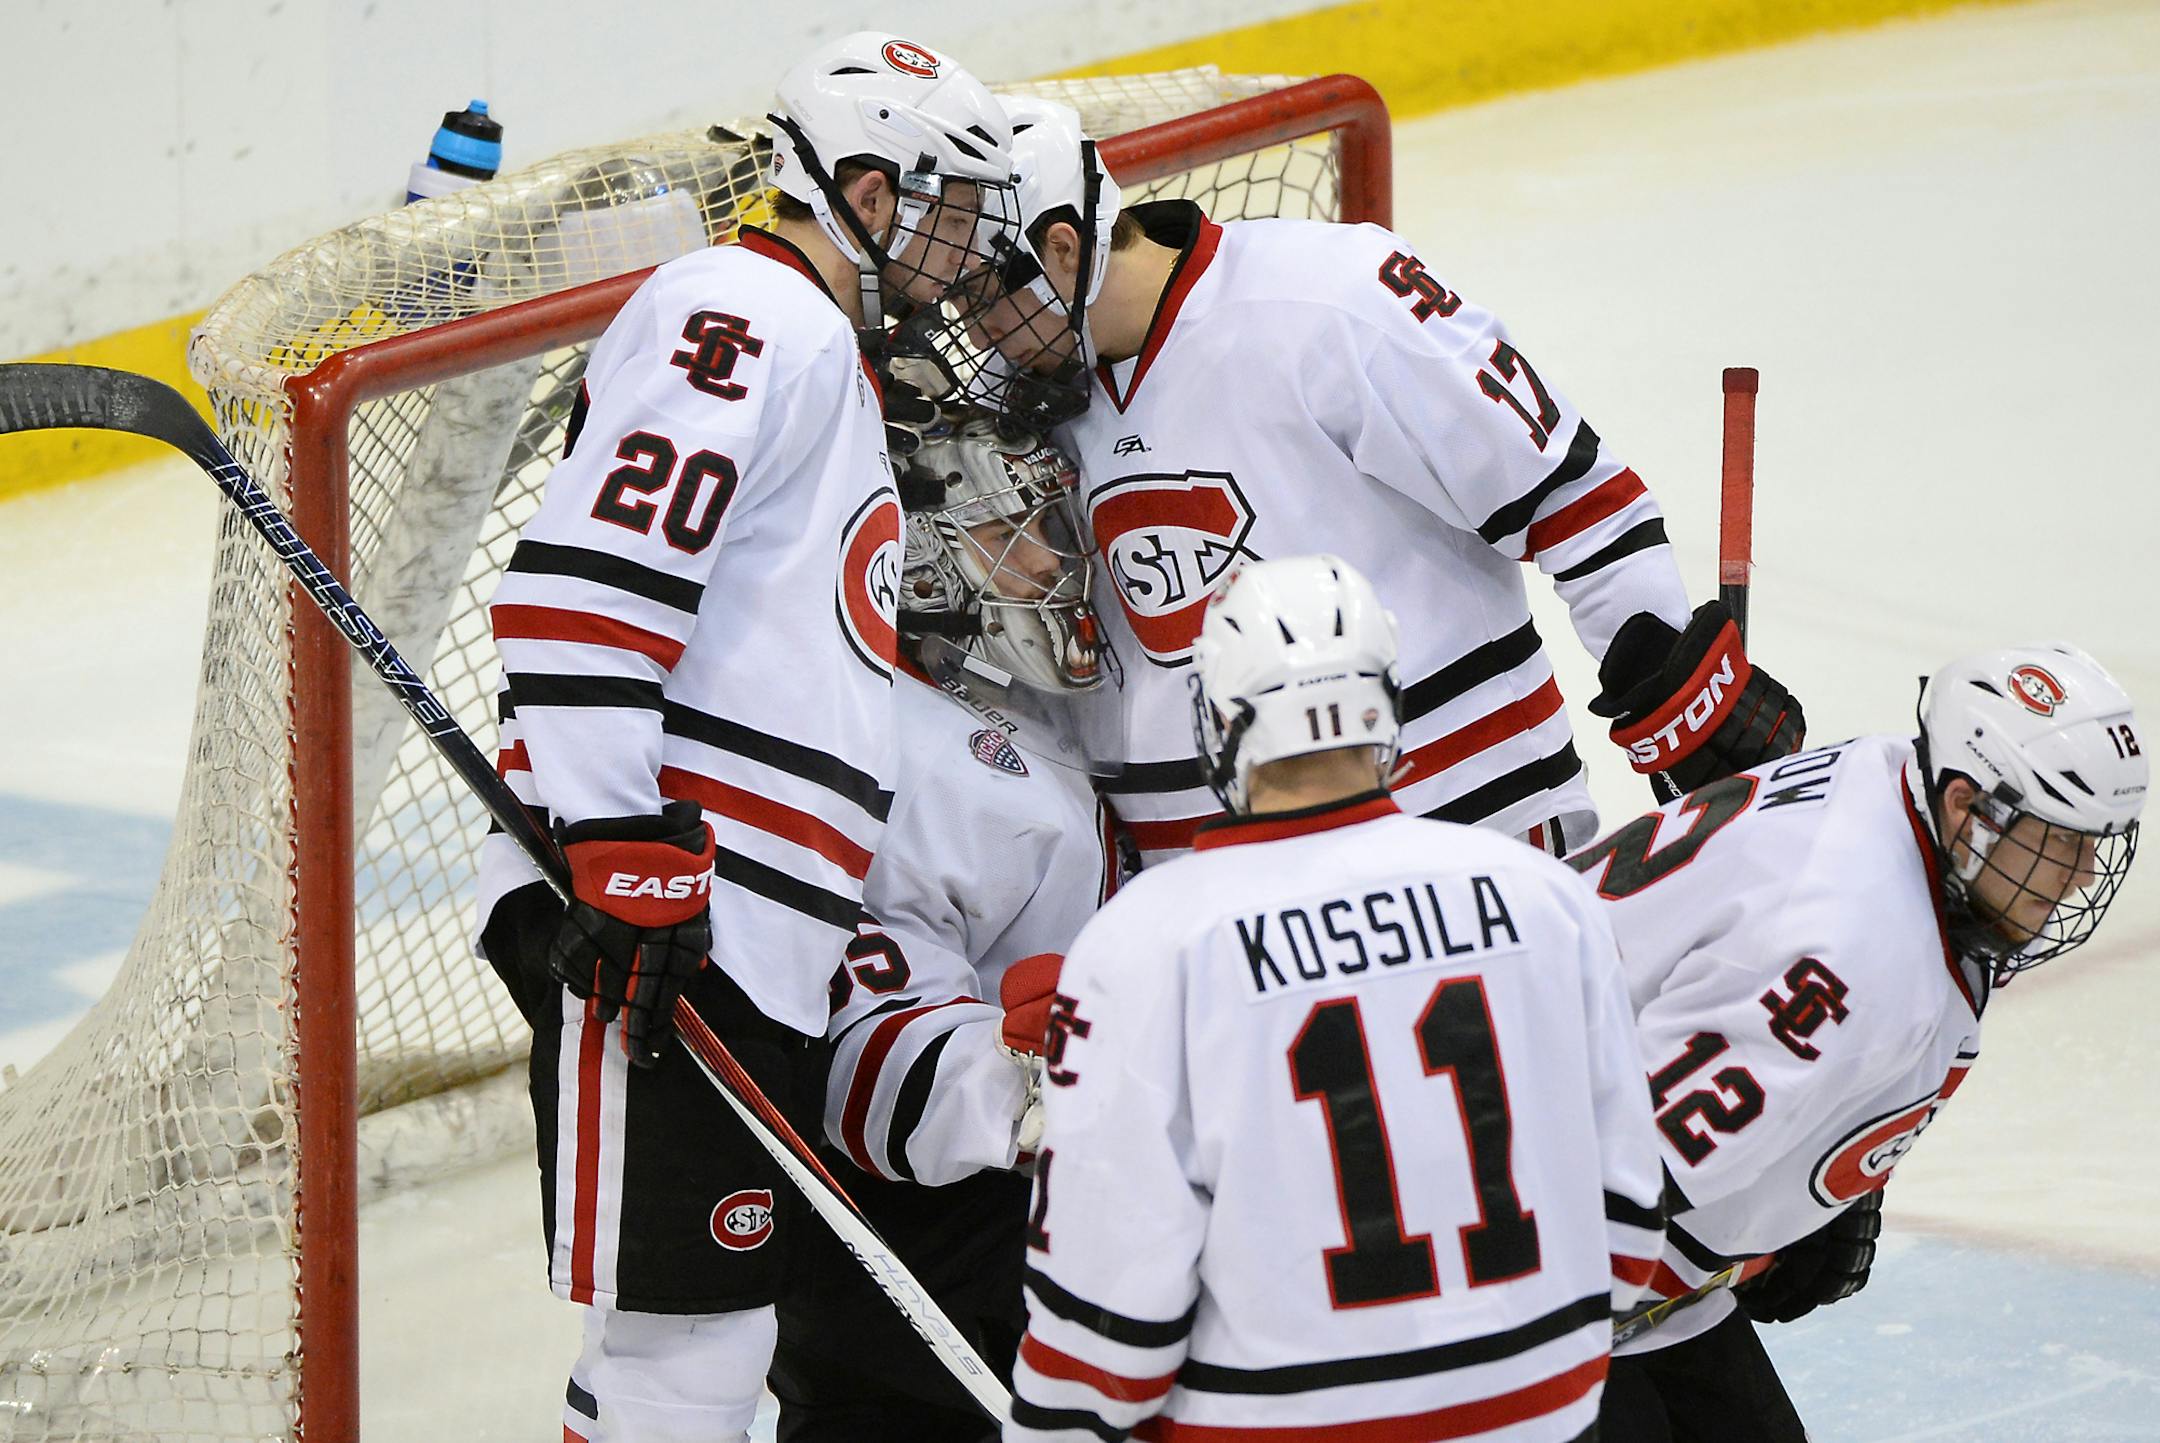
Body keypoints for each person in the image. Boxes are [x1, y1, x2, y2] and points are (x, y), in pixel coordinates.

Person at [472, 34, 1018, 1443]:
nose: (965, 256)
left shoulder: (814, 347)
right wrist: (615, 839)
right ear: (871, 189)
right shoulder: (743, 308)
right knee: (687, 1342)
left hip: (733, 922)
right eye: (952, 211)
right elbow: (577, 591)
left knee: (705, 1332)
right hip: (662, 903)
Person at [953, 99, 1804, 867]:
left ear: (1063, 249)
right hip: (1217, 903)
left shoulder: (1332, 298)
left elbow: (1572, 495)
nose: (974, 334)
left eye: (984, 296)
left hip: (1462, 842)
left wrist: (1682, 692)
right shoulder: (1023, 401)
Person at [1006, 555, 1667, 1442]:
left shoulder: (1144, 942)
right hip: (1543, 1414)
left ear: (1220, 721)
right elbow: (1627, 1237)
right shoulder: (1546, 899)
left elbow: (1105, 1334)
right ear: (1386, 706)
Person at [1568, 642, 2145, 1441]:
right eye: (2061, 839)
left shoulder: (1896, 788)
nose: (2082, 873)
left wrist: (1814, 1177)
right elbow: (1593, 1175)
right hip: (1543, 1266)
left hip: (1640, 1275)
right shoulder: (1858, 951)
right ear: (1967, 806)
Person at [768, 419, 1122, 1440]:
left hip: (1049, 1202)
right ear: (918, 562)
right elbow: (862, 1066)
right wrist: (1026, 1089)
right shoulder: (873, 752)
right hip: (920, 1257)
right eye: (1008, 536)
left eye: (1048, 523)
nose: (1054, 559)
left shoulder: (1018, 686)